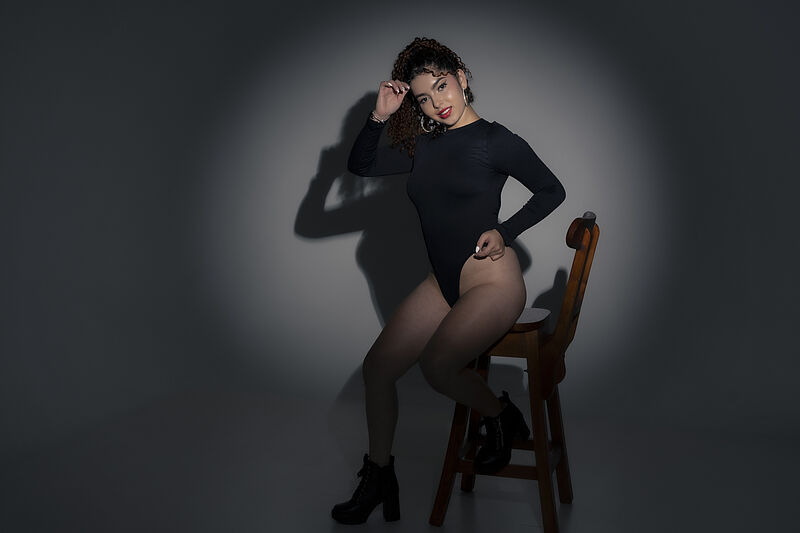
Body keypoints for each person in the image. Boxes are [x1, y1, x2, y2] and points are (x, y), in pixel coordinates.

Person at [331, 36, 566, 525]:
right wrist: (378, 116)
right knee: (378, 370)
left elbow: (551, 190)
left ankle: (501, 415)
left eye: (441, 86)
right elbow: (361, 164)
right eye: (423, 97)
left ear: (460, 77)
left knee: (438, 366)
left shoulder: (496, 140)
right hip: (442, 282)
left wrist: (505, 232)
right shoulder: (424, 144)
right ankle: (380, 476)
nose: (437, 103)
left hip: (491, 281)